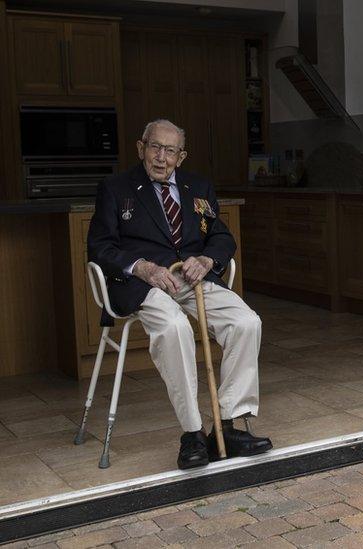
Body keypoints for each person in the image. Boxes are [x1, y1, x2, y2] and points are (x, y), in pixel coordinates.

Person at [88, 119, 272, 470]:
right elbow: (99, 247)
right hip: (146, 282)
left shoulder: (198, 186)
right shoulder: (116, 188)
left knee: (246, 321)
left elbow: (221, 236)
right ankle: (192, 433)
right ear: (141, 147)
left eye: (170, 150)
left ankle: (227, 425)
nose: (161, 157)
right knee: (175, 328)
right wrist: (142, 267)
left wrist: (207, 259)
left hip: (192, 278)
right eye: (154, 147)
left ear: (181, 156)